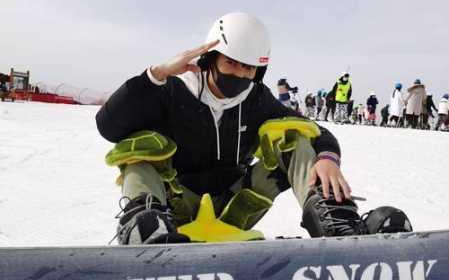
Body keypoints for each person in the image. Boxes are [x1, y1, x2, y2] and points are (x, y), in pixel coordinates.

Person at [96, 12, 411, 243]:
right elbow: (109, 126)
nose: (239, 74)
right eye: (231, 63)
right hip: (175, 208)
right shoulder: (173, 90)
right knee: (138, 147)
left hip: (236, 205)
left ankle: (337, 230)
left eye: (248, 67)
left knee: (296, 139)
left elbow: (316, 130)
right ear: (211, 59)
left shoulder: (257, 99)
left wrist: (327, 157)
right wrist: (156, 75)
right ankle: (144, 233)